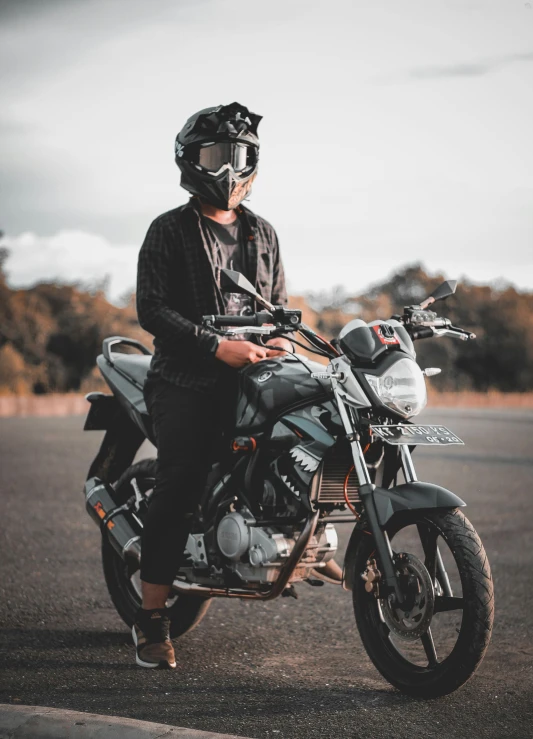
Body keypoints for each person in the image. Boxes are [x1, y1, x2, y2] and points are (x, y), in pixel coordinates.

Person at [133, 103, 293, 668]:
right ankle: (152, 621)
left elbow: (277, 307)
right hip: (184, 378)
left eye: (239, 155)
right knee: (179, 482)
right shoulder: (169, 229)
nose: (228, 168)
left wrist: (278, 343)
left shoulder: (263, 232)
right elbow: (151, 310)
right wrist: (214, 346)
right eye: (215, 155)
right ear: (190, 161)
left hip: (253, 378)